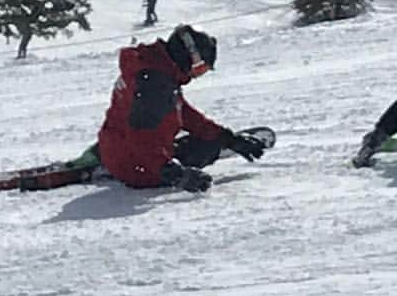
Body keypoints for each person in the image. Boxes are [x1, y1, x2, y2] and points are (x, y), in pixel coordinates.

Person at [90, 25, 267, 192]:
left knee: (201, 138)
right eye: (200, 69)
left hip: (118, 147)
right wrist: (175, 174)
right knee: (205, 148)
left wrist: (227, 137)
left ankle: (114, 161)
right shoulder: (155, 84)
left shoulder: (154, 67)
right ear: (186, 56)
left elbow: (184, 115)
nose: (195, 76)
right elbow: (140, 140)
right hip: (138, 167)